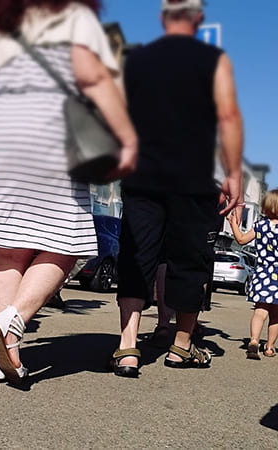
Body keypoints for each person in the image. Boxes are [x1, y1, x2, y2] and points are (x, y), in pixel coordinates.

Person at [0, 0, 137, 386]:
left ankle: (2, 355)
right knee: (69, 241)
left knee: (7, 248)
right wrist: (127, 137)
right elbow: (93, 78)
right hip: (47, 137)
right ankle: (11, 324)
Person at [113, 0, 244, 377]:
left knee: (137, 254)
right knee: (190, 258)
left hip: (144, 172)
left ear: (163, 18)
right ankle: (181, 346)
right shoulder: (212, 59)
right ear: (198, 19)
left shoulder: (138, 60)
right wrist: (233, 171)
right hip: (193, 175)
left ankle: (127, 347)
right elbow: (228, 114)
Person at [228, 190, 278, 360]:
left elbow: (241, 240)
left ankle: (254, 341)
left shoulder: (260, 225)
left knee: (260, 310)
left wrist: (233, 223)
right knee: (276, 315)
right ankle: (270, 347)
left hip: (262, 273)